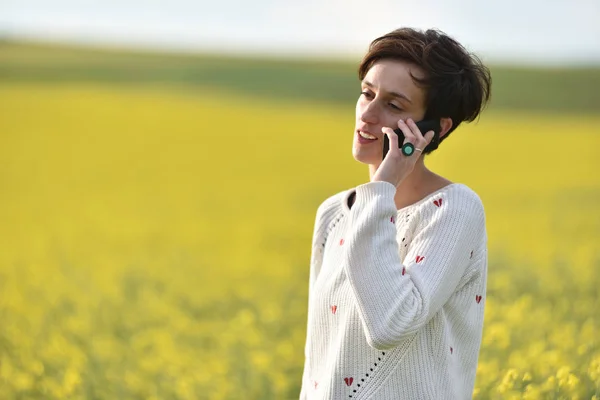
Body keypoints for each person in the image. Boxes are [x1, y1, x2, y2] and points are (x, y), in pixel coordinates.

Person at [299, 27, 492, 400]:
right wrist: (380, 190)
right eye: (367, 93)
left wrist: (383, 184)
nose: (368, 114)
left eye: (394, 105)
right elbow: (317, 363)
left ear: (434, 129)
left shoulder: (454, 210)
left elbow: (390, 324)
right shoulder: (334, 214)